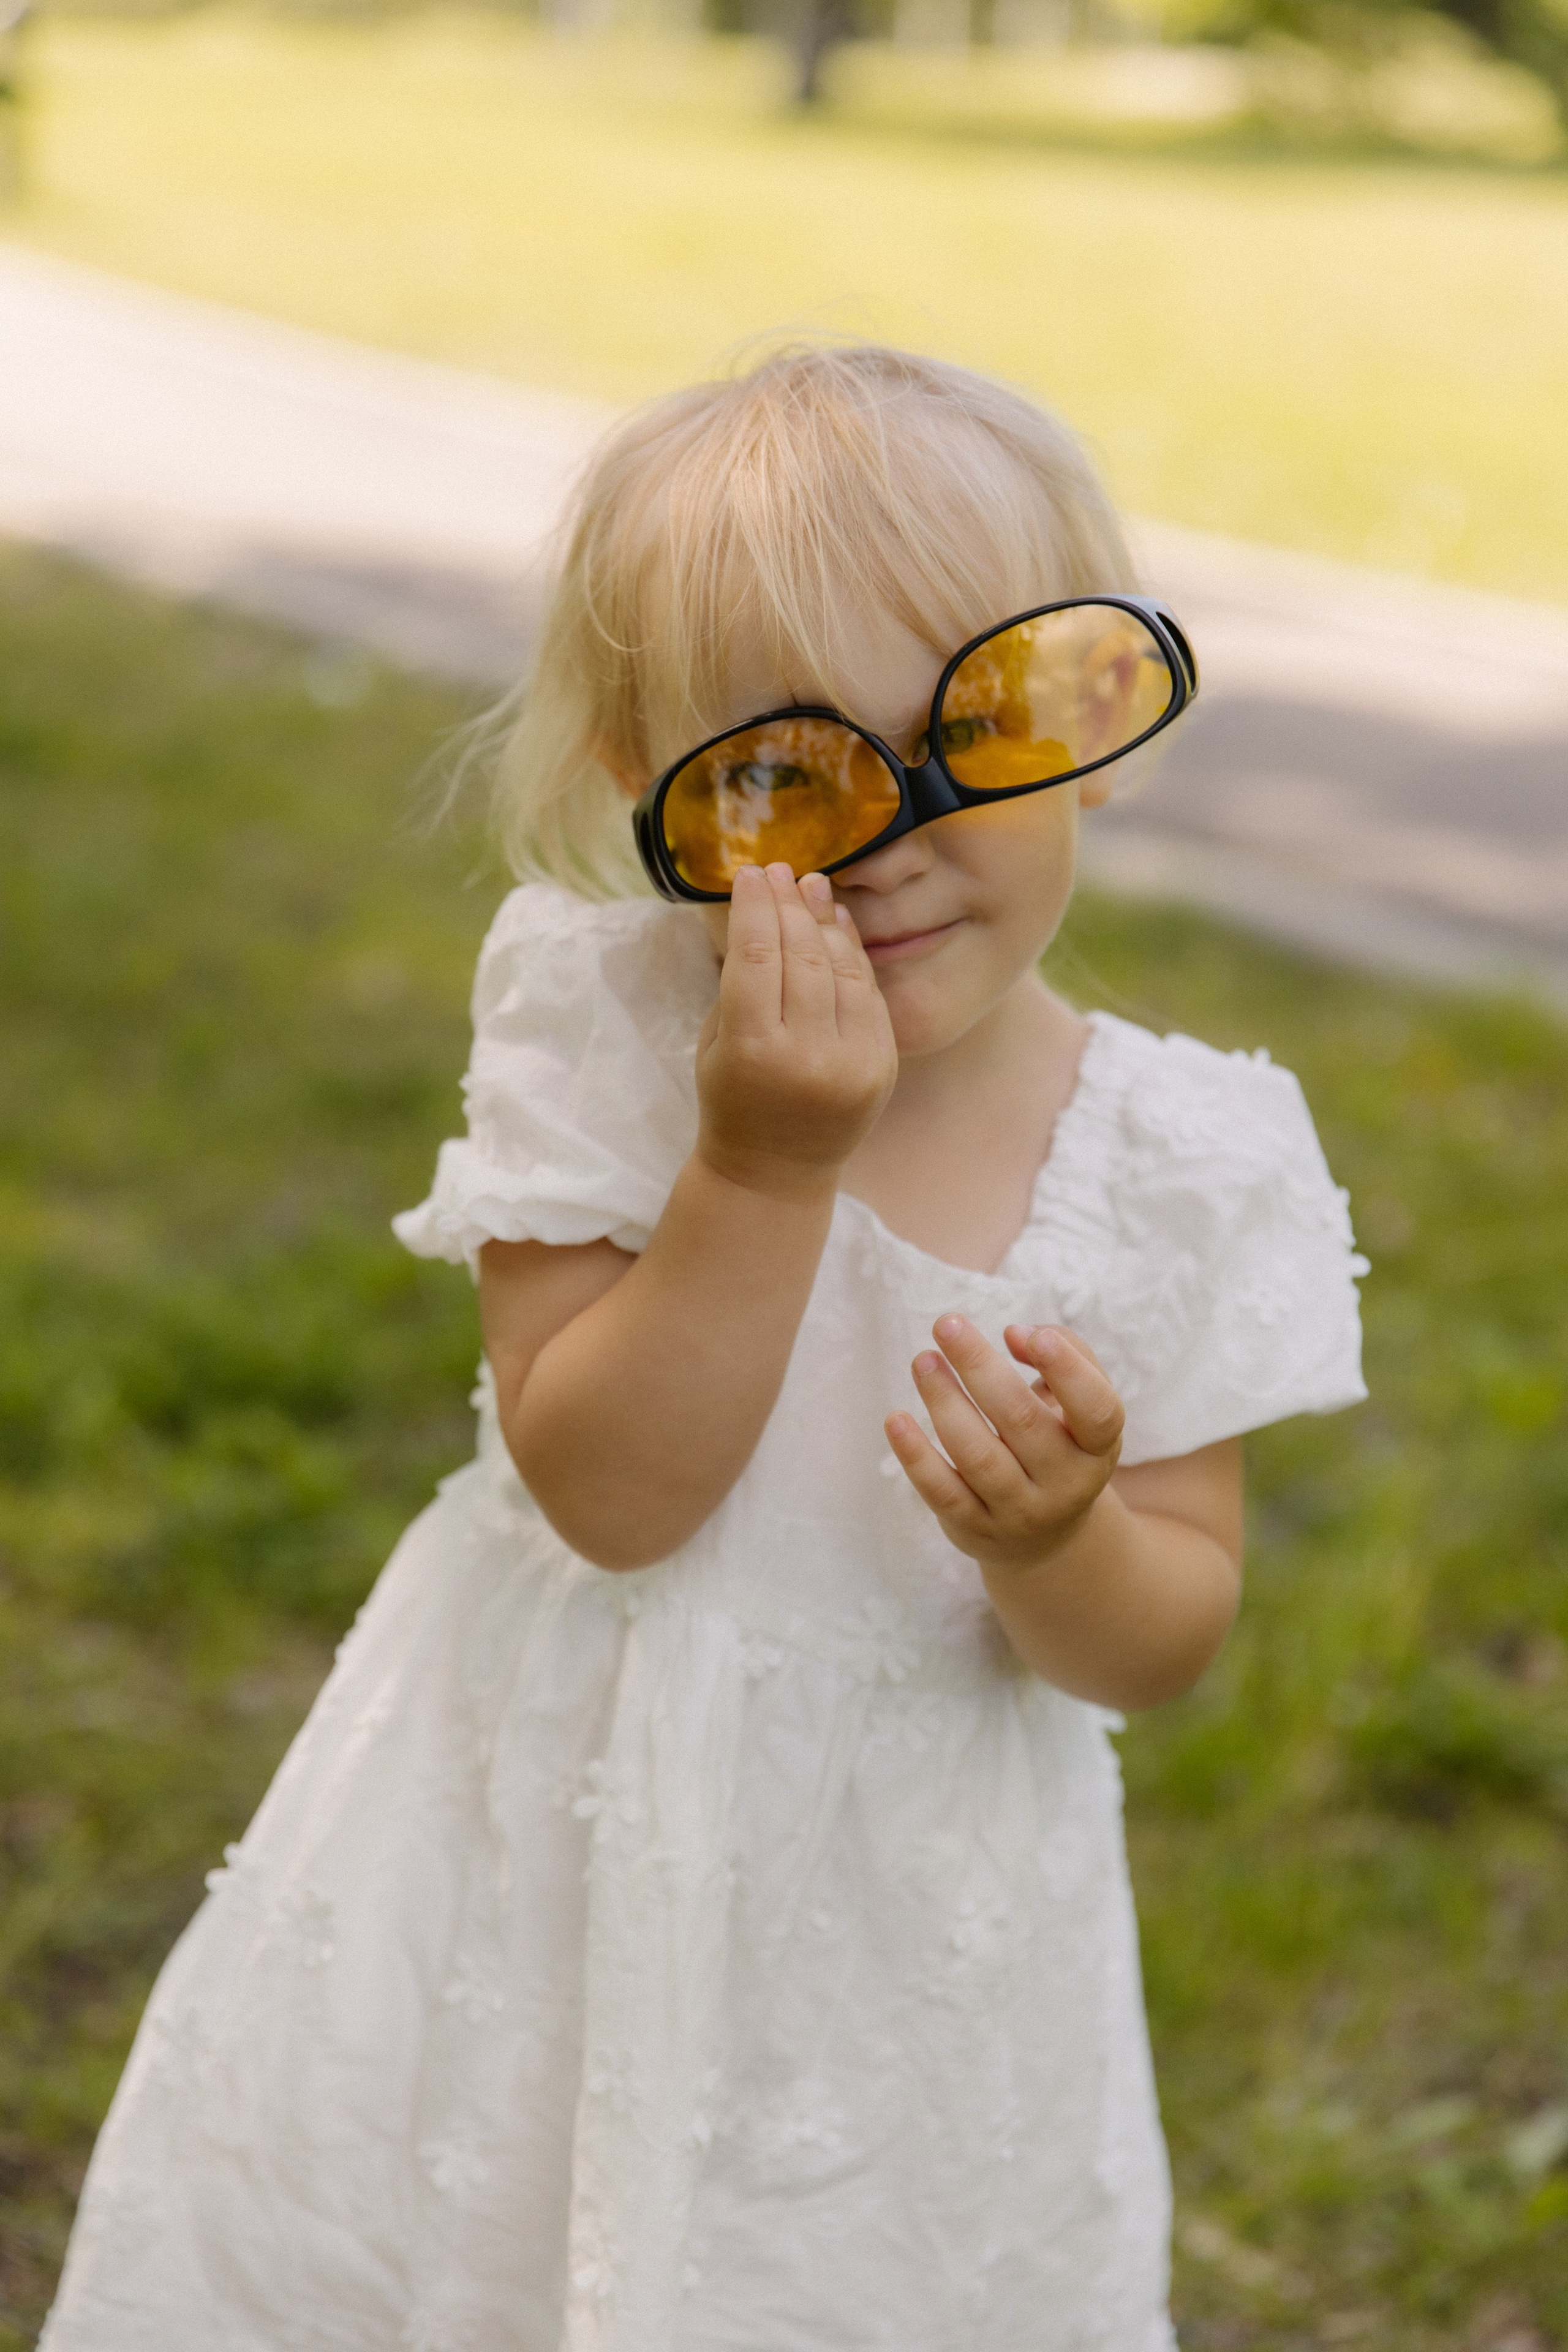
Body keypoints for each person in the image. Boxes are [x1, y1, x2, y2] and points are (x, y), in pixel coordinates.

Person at [42, 344, 1366, 2352]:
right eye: (783, 777)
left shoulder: (1185, 1158)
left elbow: (1161, 1642)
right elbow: (613, 1494)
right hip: (541, 1857)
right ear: (636, 792)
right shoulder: (607, 1024)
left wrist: (1054, 1535)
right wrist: (758, 1170)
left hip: (908, 1946)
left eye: (974, 734)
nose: (892, 839)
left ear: (1090, 725)